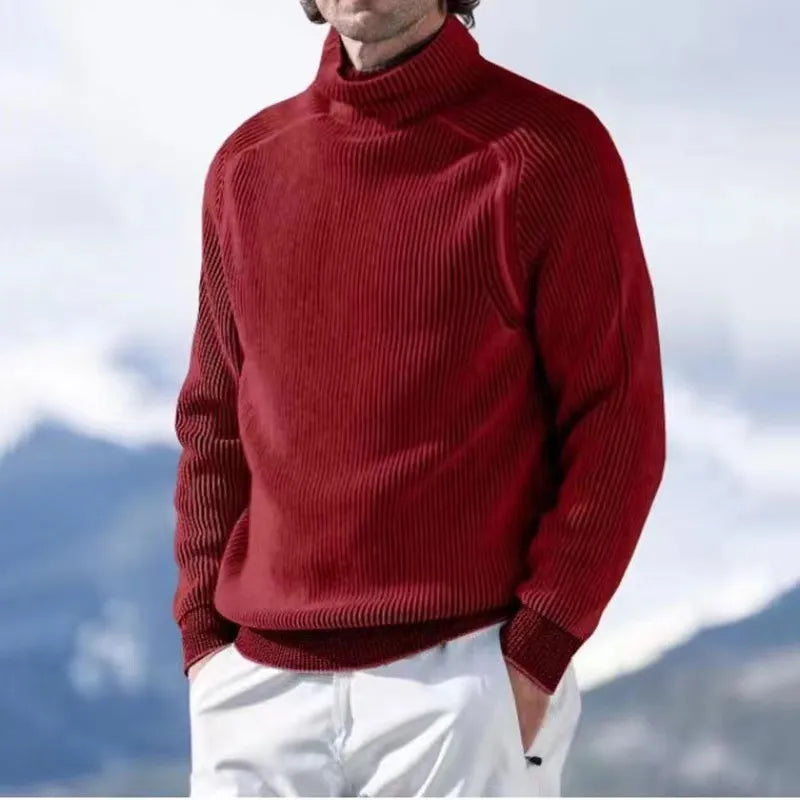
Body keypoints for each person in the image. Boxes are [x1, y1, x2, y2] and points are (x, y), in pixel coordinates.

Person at [172, 0, 666, 795]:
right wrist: (205, 645)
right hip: (258, 694)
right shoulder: (246, 167)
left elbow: (619, 421)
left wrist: (534, 655)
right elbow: (213, 423)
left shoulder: (548, 151)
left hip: (460, 685)